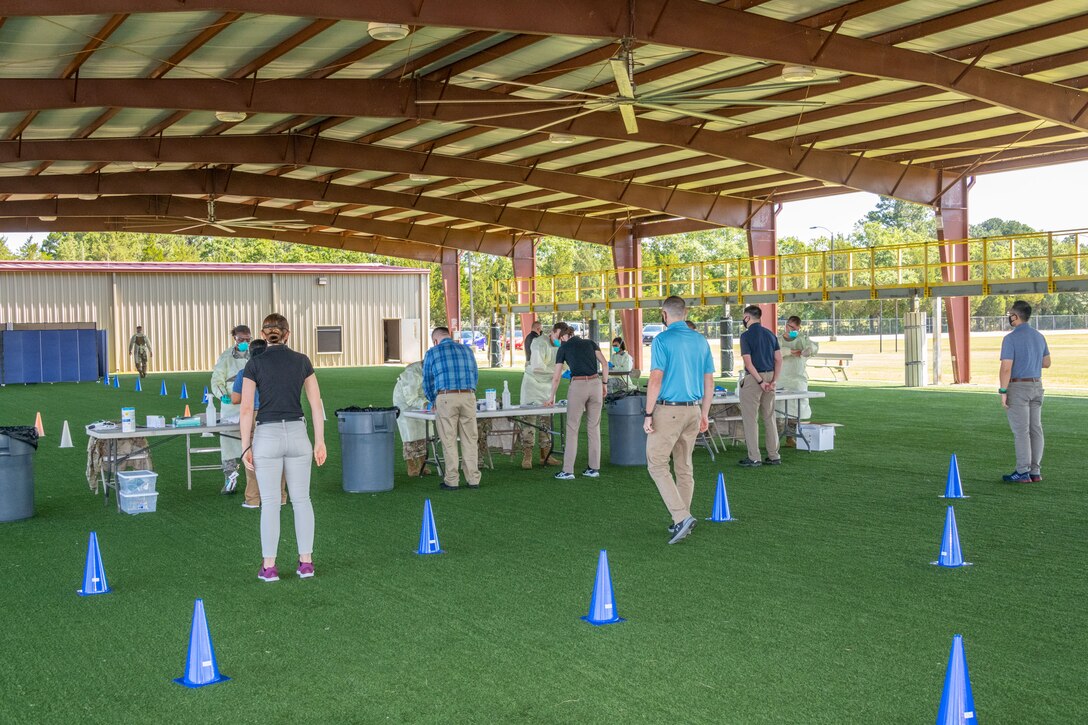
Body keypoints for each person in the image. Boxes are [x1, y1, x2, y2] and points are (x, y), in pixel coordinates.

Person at [240, 313, 326, 582]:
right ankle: (306, 563)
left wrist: (245, 447)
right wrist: (320, 441)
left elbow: (245, 409)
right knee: (302, 501)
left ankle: (269, 567)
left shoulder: (254, 364)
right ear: (287, 334)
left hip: (267, 434)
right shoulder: (302, 361)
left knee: (270, 504)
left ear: (264, 335)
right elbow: (316, 403)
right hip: (298, 433)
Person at [643, 296, 715, 545]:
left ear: (664, 314)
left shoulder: (662, 339)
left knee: (657, 464)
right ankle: (682, 520)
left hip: (668, 410)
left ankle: (681, 516)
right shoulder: (700, 340)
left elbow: (655, 377)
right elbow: (709, 380)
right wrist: (704, 413)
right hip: (693, 410)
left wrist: (648, 413)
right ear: (685, 313)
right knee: (684, 467)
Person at [422, 326, 481, 490]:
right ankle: (473, 479)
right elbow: (475, 375)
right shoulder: (467, 350)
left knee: (449, 440)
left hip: (446, 397)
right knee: (470, 439)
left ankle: (452, 480)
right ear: (449, 335)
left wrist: (433, 399)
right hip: (468, 395)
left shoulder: (432, 352)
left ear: (435, 340)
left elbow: (427, 380)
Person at [231, 339, 288, 509]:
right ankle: (280, 496)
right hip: (275, 413)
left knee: (251, 455)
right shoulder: (278, 370)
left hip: (253, 415)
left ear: (249, 353)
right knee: (278, 455)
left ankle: (253, 499)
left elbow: (235, 399)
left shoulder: (244, 372)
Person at [999, 300, 1051, 483]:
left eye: (1011, 314)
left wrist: (1003, 391)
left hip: (1018, 387)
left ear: (1016, 315)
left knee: (1021, 431)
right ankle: (1035, 471)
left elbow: (1006, 368)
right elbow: (1046, 363)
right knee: (1035, 429)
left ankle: (1022, 471)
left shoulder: (1010, 338)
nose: (1009, 317)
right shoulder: (1039, 336)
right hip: (1037, 385)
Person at [548, 326, 608, 479]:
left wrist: (551, 397)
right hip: (595, 383)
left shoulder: (563, 348)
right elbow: (605, 363)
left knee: (572, 427)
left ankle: (568, 470)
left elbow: (556, 377)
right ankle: (594, 468)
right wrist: (604, 384)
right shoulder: (590, 343)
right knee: (594, 427)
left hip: (578, 385)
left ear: (561, 336)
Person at [738, 305, 783, 467]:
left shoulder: (746, 336)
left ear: (747, 318)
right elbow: (779, 359)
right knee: (769, 417)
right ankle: (773, 455)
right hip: (771, 376)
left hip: (754, 379)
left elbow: (748, 363)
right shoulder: (771, 334)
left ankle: (754, 456)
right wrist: (773, 381)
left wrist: (760, 381)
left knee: (751, 420)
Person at [518, 323, 567, 469]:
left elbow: (564, 365)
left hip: (548, 387)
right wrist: (557, 372)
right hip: (532, 385)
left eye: (561, 338)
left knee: (547, 422)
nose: (559, 340)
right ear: (552, 332)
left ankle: (545, 454)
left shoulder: (562, 345)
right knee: (529, 421)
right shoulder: (538, 343)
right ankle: (527, 455)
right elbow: (538, 367)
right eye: (557, 336)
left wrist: (558, 371)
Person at [211, 324, 251, 495]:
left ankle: (260, 480)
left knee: (255, 441)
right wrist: (222, 395)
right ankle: (230, 478)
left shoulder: (256, 355)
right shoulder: (226, 357)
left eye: (247, 339)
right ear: (235, 338)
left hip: (252, 406)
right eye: (241, 339)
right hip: (231, 408)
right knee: (228, 443)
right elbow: (216, 380)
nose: (244, 342)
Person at [774, 315, 819, 446]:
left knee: (796, 411)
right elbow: (774, 352)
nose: (789, 328)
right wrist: (789, 351)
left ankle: (790, 437)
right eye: (788, 325)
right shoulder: (778, 340)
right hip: (781, 380)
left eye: (793, 327)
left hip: (798, 380)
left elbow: (813, 348)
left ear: (798, 328)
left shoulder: (803, 340)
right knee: (779, 411)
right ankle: (775, 440)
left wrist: (809, 350)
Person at [392, 362, 431, 478]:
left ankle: (423, 464)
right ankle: (411, 465)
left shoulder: (430, 371)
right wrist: (425, 404)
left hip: (421, 400)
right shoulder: (412, 373)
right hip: (404, 402)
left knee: (424, 430)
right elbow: (411, 398)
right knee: (409, 434)